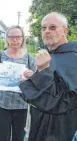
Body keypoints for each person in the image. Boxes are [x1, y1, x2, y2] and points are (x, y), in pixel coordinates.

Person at [19, 12, 77, 141]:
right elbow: (44, 92)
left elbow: (64, 102)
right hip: (40, 126)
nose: (47, 31)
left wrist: (44, 71)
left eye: (52, 27)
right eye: (43, 28)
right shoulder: (49, 56)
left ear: (65, 31)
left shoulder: (73, 58)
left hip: (59, 130)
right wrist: (32, 80)